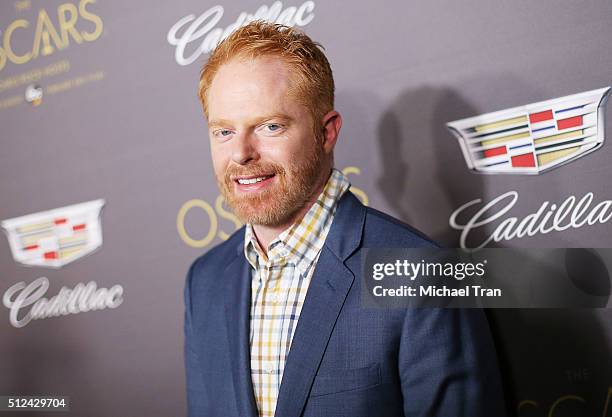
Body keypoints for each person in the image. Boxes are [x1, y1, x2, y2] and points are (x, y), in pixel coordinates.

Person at [184, 21, 505, 417]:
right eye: (223, 131)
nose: (241, 153)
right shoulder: (205, 281)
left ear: (327, 132)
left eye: (270, 126)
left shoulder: (422, 273)